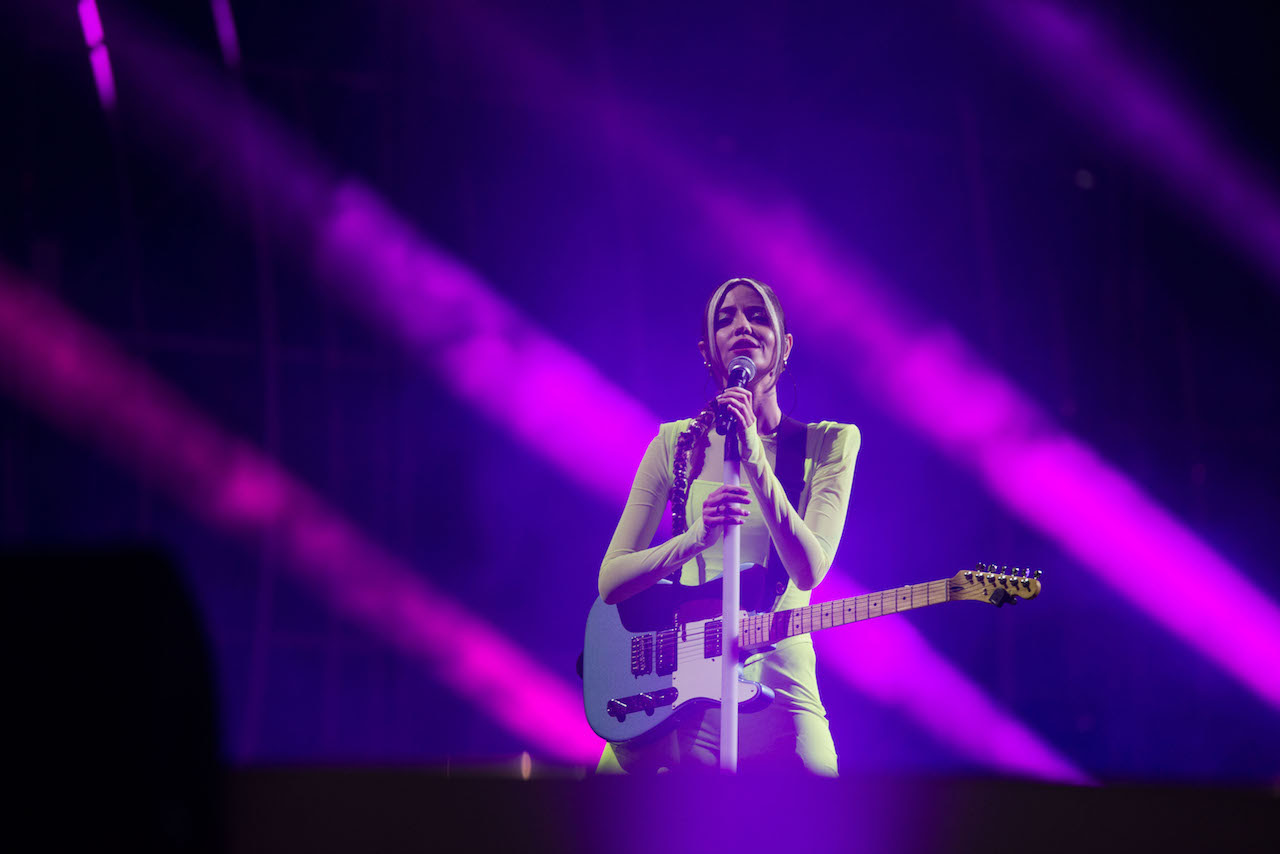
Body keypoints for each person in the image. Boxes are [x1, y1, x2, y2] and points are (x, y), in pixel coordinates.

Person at [595, 277, 860, 775]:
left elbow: (808, 571)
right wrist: (693, 539)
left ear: (785, 346)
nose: (742, 325)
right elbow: (611, 581)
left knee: (816, 798)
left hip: (779, 684)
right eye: (726, 319)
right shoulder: (673, 444)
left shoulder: (829, 444)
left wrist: (754, 455)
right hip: (679, 687)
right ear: (708, 351)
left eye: (758, 316)